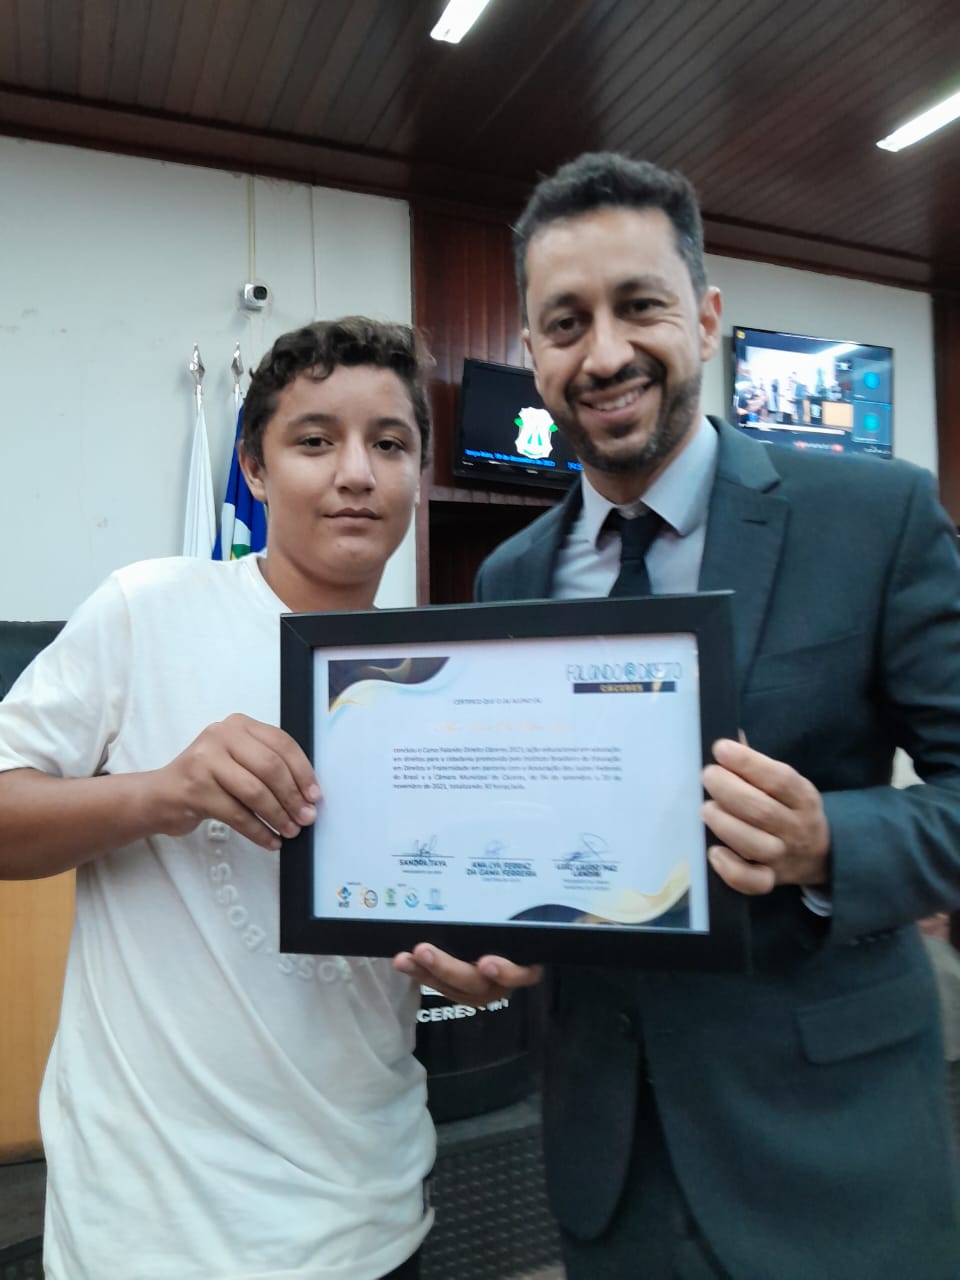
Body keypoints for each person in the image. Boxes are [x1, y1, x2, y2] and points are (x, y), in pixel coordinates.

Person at [394, 153, 960, 1278]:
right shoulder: (510, 577)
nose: (604, 353)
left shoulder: (876, 515)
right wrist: (491, 931)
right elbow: (534, 838)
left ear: (703, 318)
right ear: (534, 353)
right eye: (566, 323)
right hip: (610, 1160)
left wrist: (828, 842)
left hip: (833, 1150)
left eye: (639, 305)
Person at [0, 317, 435, 1280]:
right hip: (149, 1230)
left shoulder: (439, 680)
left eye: (389, 443)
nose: (356, 473)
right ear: (254, 467)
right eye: (314, 440)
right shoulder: (148, 609)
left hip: (368, 1214)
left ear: (419, 472)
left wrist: (481, 957)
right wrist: (165, 792)